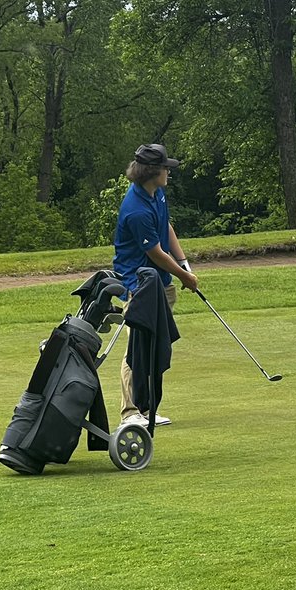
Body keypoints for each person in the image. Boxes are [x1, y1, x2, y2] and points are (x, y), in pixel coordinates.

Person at [112, 143, 199, 426]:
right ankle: (130, 413)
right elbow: (156, 254)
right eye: (165, 169)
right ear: (152, 172)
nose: (168, 174)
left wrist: (184, 263)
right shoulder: (136, 209)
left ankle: (147, 409)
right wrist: (185, 277)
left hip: (160, 282)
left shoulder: (156, 193)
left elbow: (166, 228)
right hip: (137, 285)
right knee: (136, 348)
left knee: (153, 347)